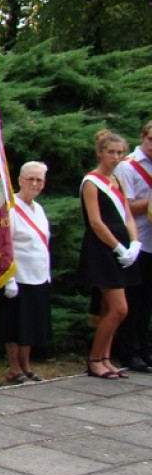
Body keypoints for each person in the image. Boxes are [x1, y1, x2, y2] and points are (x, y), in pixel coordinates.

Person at [80, 130, 141, 379]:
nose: (115, 157)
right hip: (103, 249)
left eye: (119, 153)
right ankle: (94, 359)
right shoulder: (91, 182)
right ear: (100, 153)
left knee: (109, 309)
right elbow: (95, 222)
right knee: (119, 309)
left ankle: (105, 358)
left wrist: (135, 243)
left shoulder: (119, 181)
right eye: (111, 152)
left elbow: (127, 216)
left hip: (123, 248)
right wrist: (117, 247)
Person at [0, 162, 53, 384]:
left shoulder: (38, 209)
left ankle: (26, 364)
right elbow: (4, 245)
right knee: (14, 324)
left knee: (30, 324)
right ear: (20, 180)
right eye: (31, 179)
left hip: (37, 274)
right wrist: (8, 278)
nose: (35, 184)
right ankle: (14, 367)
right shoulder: (10, 208)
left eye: (39, 180)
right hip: (17, 276)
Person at [113, 121, 152, 372]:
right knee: (134, 301)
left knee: (147, 303)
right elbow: (124, 206)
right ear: (143, 137)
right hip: (138, 241)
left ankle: (144, 348)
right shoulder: (128, 166)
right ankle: (129, 352)